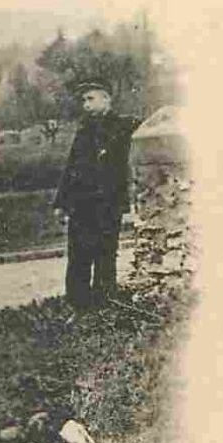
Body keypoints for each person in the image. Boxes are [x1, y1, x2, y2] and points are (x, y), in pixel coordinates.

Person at [53, 79, 143, 309]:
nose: (85, 105)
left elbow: (143, 133)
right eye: (83, 100)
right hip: (81, 206)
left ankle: (105, 306)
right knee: (78, 258)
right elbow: (71, 167)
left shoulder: (123, 126)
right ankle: (78, 308)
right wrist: (60, 203)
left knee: (105, 256)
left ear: (106, 99)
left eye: (90, 99)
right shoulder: (84, 130)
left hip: (108, 205)